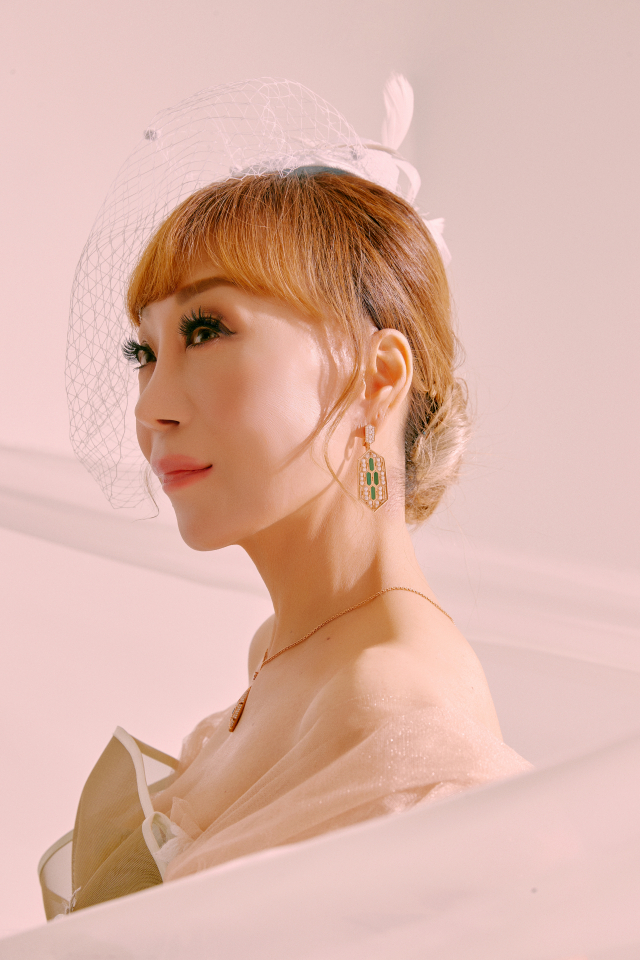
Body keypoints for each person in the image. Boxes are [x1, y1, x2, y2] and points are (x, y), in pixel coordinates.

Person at [39, 76, 531, 918]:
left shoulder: (391, 706)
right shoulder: (284, 650)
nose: (151, 408)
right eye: (143, 353)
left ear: (377, 377)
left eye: (206, 330)